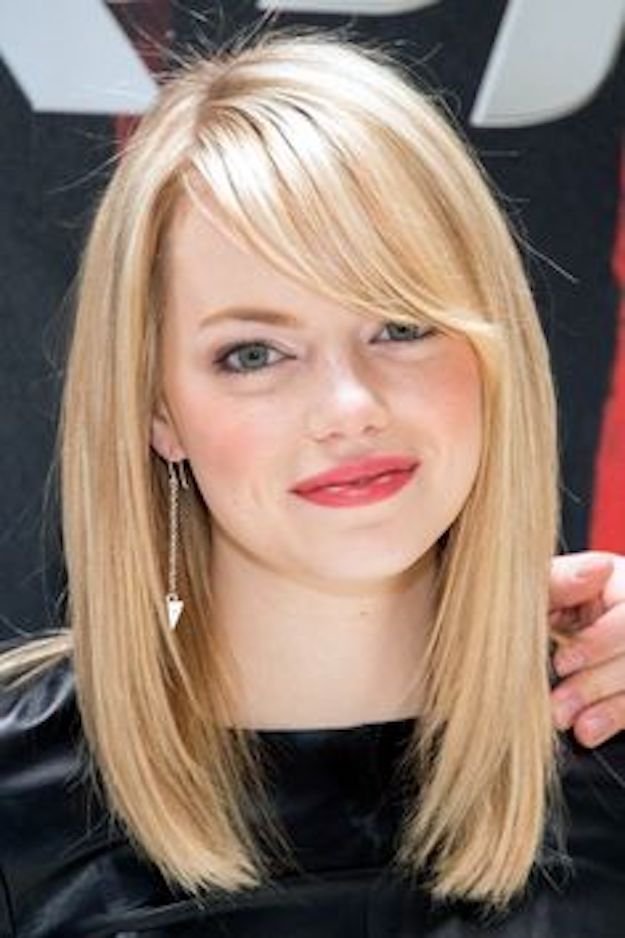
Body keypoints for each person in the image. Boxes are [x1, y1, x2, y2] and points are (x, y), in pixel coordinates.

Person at [0, 29, 624, 937]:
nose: (349, 407)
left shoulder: (607, 748)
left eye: (400, 325)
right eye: (254, 354)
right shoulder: (19, 805)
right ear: (156, 407)